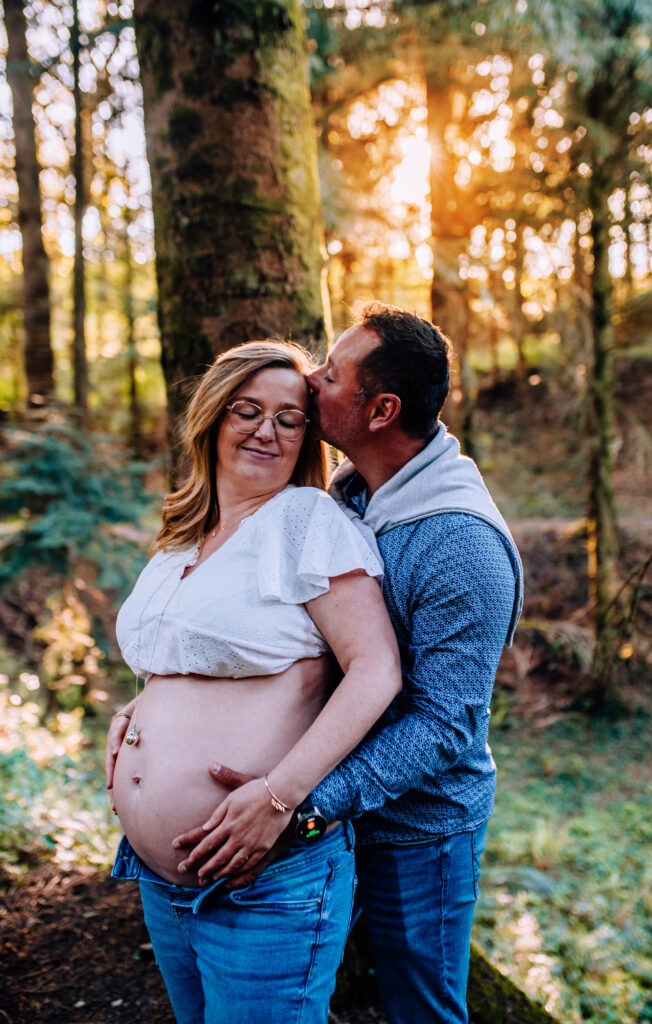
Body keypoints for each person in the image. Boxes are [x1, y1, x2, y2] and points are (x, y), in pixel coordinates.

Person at [178, 304, 523, 1024]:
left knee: (417, 1008)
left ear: (380, 410)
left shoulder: (461, 546)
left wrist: (302, 806)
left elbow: (441, 727)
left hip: (414, 830)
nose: (311, 378)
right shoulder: (347, 496)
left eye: (330, 375)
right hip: (325, 812)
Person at [105, 339, 402, 1024]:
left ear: (306, 438)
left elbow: (375, 668)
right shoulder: (183, 534)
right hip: (159, 877)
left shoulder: (305, 520)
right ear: (213, 417)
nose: (266, 430)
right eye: (247, 410)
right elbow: (181, 661)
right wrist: (136, 716)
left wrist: (278, 796)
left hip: (266, 875)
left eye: (289, 418)